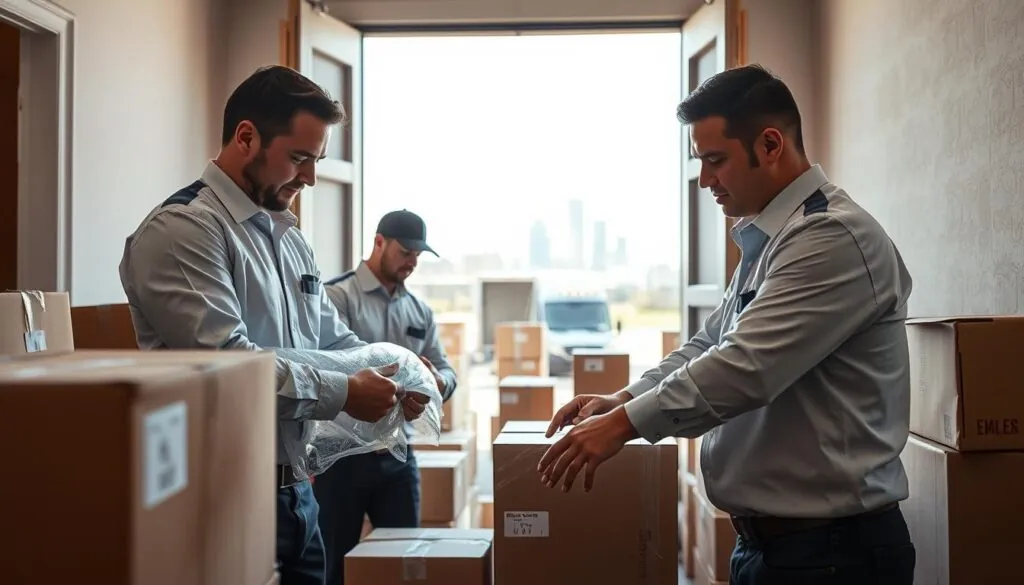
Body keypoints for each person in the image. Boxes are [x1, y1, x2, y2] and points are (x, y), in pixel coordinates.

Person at [537, 64, 915, 585]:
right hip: (777, 547)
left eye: (716, 160)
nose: (705, 180)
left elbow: (745, 367)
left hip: (830, 553)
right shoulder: (773, 240)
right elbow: (710, 344)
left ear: (770, 144)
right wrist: (623, 398)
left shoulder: (830, 237)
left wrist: (624, 426)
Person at [119, 65, 429, 585]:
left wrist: (393, 377)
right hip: (223, 493)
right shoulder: (184, 230)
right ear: (246, 137)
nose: (310, 178)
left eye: (316, 161)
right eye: (299, 158)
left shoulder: (290, 239)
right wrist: (344, 393)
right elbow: (229, 365)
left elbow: (334, 341)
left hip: (298, 490)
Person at [315, 209, 458, 585]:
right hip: (341, 459)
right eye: (405, 252)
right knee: (334, 568)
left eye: (417, 255)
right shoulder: (336, 297)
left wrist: (436, 382)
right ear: (379, 242)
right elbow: (327, 366)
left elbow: (447, 372)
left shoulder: (419, 311)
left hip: (397, 458)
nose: (412, 262)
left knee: (404, 566)